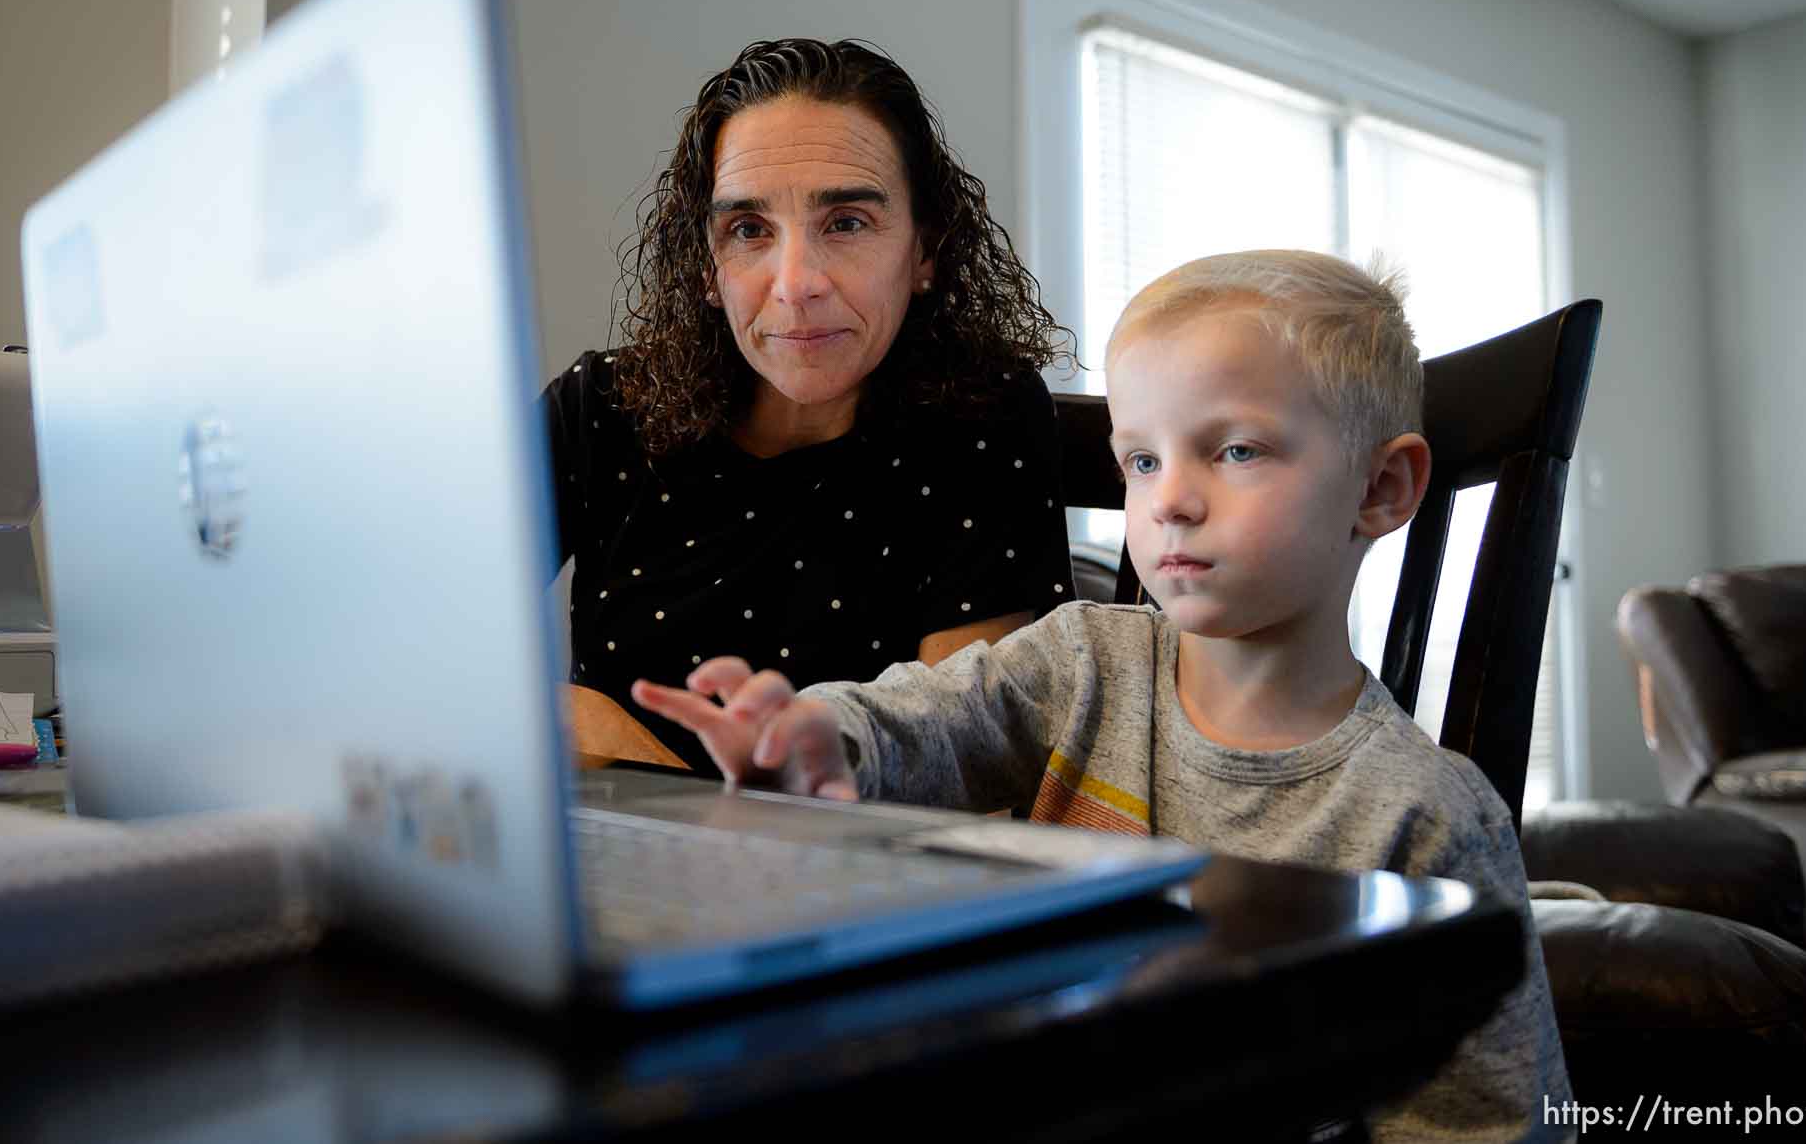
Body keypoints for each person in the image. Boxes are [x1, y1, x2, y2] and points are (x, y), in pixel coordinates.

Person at [629, 250, 1571, 1141]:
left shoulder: (1429, 813)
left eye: (1234, 450)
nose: (1168, 501)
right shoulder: (1081, 661)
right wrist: (819, 737)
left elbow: (1480, 1120)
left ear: (1380, 486)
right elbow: (927, 719)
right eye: (1142, 460)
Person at [547, 38, 1076, 776]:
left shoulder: (984, 417)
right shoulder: (599, 406)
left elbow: (971, 760)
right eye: (748, 230)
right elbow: (416, 636)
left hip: (858, 865)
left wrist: (678, 797)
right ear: (706, 267)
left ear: (925, 248)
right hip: (611, 858)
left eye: (847, 223)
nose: (795, 283)